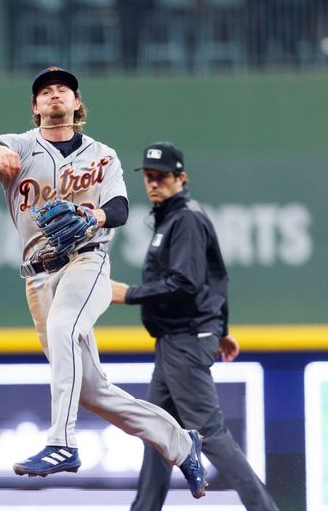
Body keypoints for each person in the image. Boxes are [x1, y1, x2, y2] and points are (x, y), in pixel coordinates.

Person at [0, 67, 206, 499]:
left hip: (87, 262)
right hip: (38, 278)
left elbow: (118, 207)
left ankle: (61, 443)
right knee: (93, 391)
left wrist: (89, 216)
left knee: (64, 328)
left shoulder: (103, 155)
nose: (54, 94)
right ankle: (182, 443)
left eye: (62, 89)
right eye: (45, 91)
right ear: (36, 107)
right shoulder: (21, 146)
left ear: (77, 103)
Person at [110, 141, 279, 510]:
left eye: (162, 177)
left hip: (184, 342)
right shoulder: (174, 217)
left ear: (180, 178)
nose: (154, 183)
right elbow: (216, 275)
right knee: (157, 435)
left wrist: (129, 294)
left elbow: (186, 283)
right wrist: (220, 328)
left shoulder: (185, 219)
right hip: (178, 340)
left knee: (211, 435)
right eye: (149, 177)